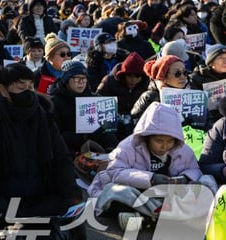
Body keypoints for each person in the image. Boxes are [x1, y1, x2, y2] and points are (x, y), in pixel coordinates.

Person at [0, 63, 81, 236]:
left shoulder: (44, 116)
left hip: (39, 193)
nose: (27, 92)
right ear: (3, 90)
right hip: (2, 195)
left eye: (30, 87)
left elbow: (61, 159)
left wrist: (71, 191)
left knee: (72, 226)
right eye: (20, 87)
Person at [87, 102, 216, 230]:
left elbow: (195, 170)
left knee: (207, 181)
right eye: (159, 141)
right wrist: (150, 179)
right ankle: (179, 218)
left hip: (170, 197)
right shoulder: (128, 147)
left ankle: (151, 220)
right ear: (146, 136)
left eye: (170, 141)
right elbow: (113, 172)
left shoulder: (182, 149)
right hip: (140, 194)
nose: (164, 147)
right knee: (115, 191)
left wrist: (186, 178)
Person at [47, 60, 118, 154]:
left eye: (84, 78)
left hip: (98, 152)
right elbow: (54, 135)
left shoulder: (96, 99)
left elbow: (108, 131)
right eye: (76, 78)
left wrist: (111, 148)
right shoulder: (54, 103)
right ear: (66, 80)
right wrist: (84, 137)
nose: (81, 82)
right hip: (66, 153)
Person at [97, 52, 149, 138]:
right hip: (112, 125)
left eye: (137, 76)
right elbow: (98, 100)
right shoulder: (109, 81)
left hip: (138, 125)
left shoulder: (146, 84)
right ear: (123, 74)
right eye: (130, 76)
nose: (133, 80)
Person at [131, 55, 188, 124]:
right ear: (163, 77)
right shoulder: (150, 97)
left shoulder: (191, 93)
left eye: (185, 73)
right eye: (177, 73)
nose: (183, 77)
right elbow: (136, 122)